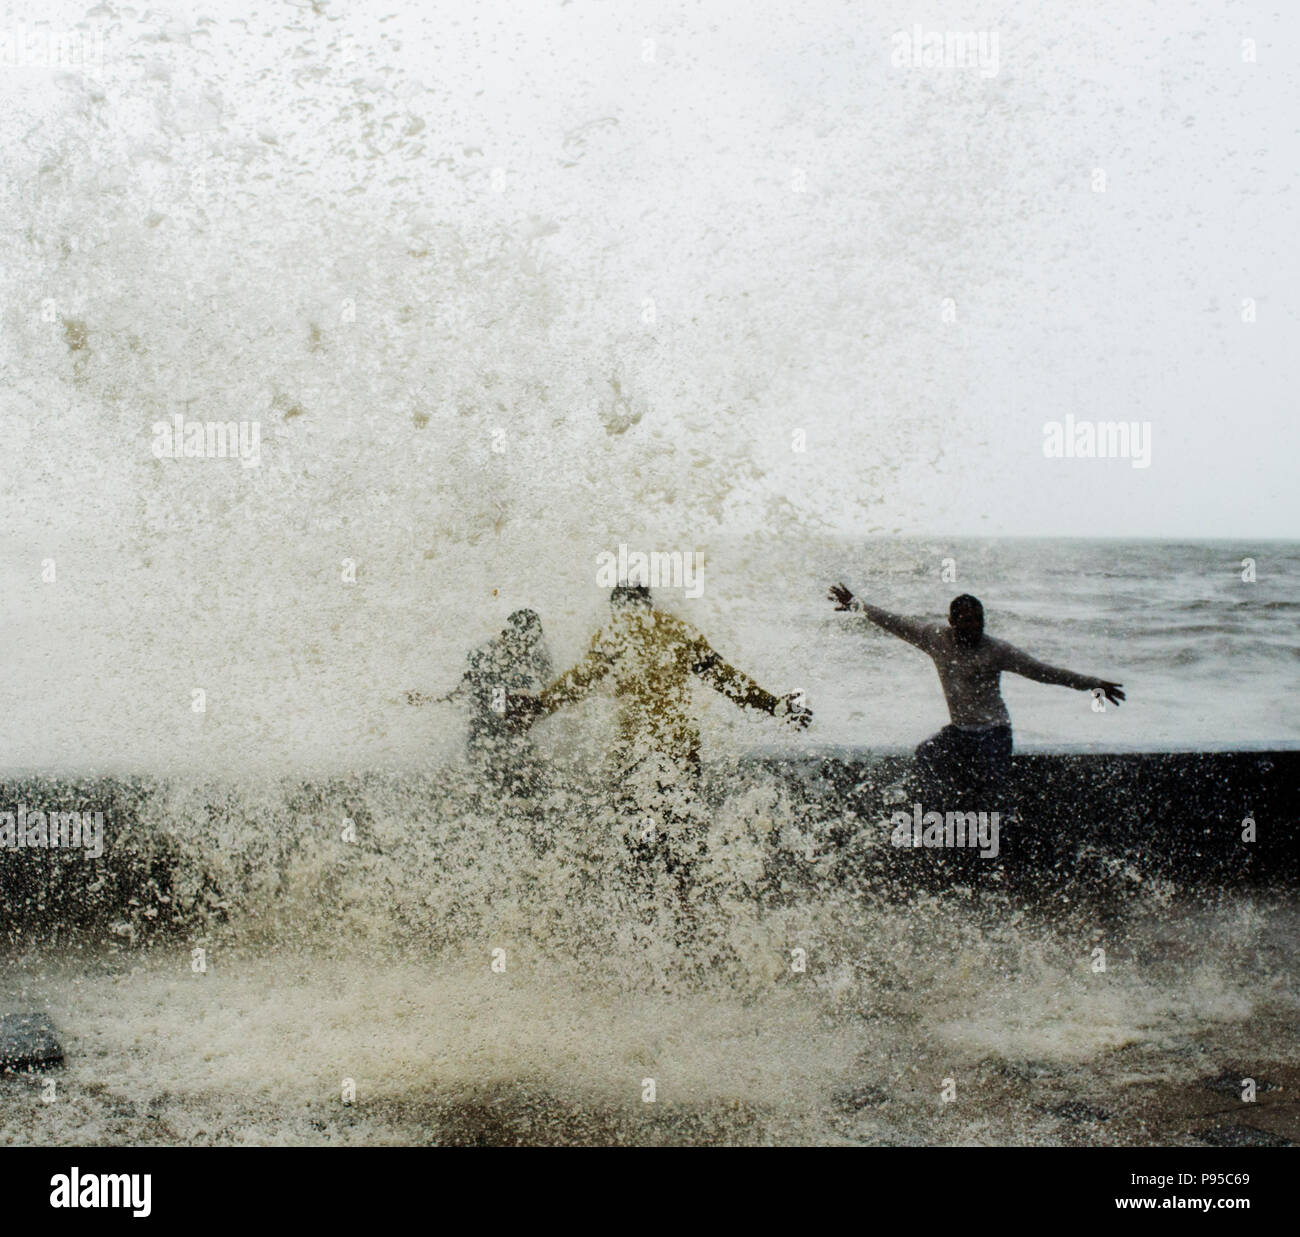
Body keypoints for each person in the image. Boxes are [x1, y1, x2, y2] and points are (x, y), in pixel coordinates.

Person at [509, 584, 810, 931]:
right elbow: (727, 680)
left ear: (617, 607)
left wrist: (540, 704)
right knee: (679, 834)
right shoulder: (680, 630)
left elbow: (581, 679)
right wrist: (773, 704)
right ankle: (684, 914)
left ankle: (649, 919)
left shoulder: (614, 632)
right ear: (649, 603)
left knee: (638, 838)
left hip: (635, 753)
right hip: (681, 751)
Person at [827, 585, 1124, 809]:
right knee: (925, 755)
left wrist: (1094, 684)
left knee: (991, 794)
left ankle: (1000, 849)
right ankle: (934, 827)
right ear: (952, 621)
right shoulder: (935, 638)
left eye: (978, 620)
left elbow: (1043, 672)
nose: (974, 626)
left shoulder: (996, 650)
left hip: (993, 733)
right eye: (966, 621)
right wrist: (857, 605)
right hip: (959, 732)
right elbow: (895, 622)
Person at [407, 608, 552, 796]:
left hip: (511, 729)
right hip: (485, 730)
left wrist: (540, 703)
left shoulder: (536, 655)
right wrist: (432, 699)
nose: (528, 645)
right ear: (508, 633)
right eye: (524, 639)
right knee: (488, 786)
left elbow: (549, 688)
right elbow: (475, 695)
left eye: (533, 640)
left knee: (526, 779)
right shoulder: (485, 655)